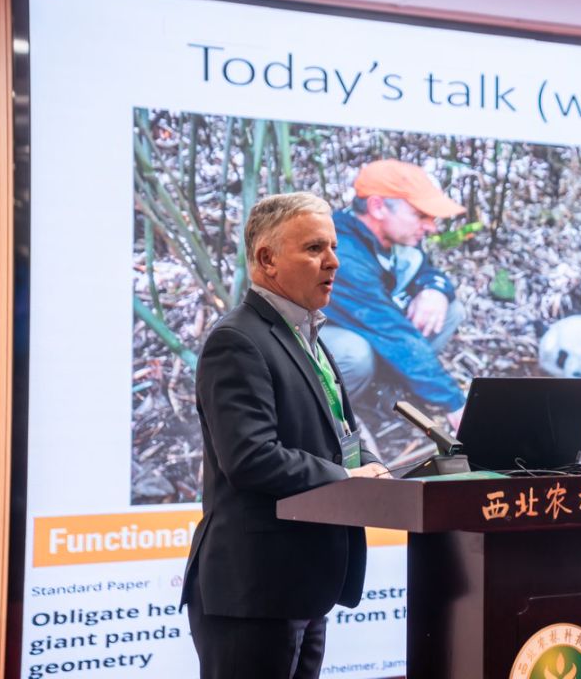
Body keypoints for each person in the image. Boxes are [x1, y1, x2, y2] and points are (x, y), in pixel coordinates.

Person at [180, 192, 389, 679]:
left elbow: (338, 434)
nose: (333, 261)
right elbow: (251, 457)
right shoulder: (237, 340)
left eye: (333, 247)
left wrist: (375, 467)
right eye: (315, 248)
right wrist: (347, 478)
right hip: (254, 590)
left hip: (304, 586)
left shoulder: (307, 336)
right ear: (267, 259)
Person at [320, 159, 468, 428]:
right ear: (377, 207)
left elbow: (425, 270)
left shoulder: (393, 239)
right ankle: (319, 420)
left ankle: (385, 389)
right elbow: (391, 330)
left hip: (369, 329)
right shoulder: (342, 254)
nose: (431, 227)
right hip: (302, 348)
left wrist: (434, 289)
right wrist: (455, 403)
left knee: (448, 309)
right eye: (420, 215)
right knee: (355, 354)